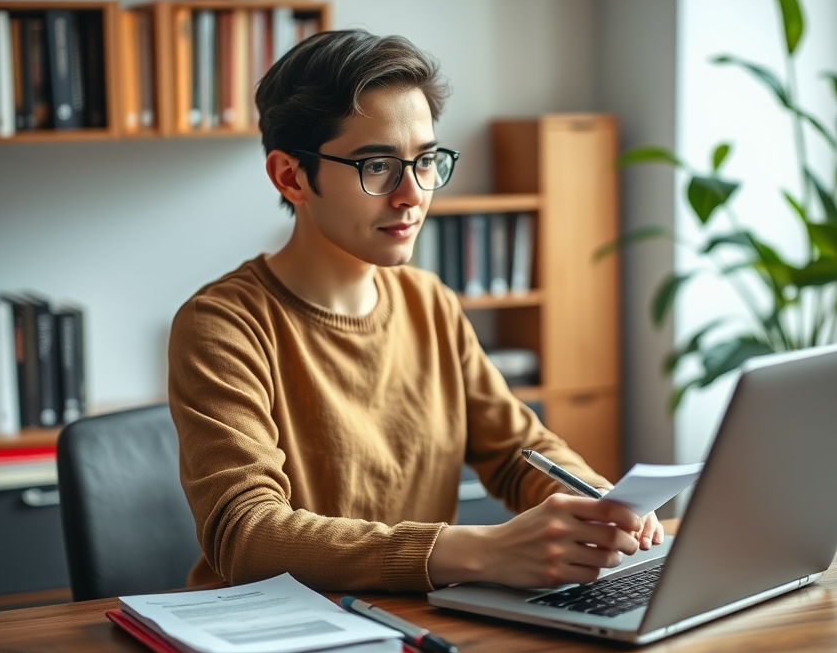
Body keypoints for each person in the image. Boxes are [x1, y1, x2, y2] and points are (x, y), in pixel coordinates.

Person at [168, 29, 663, 594]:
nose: (412, 194)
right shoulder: (223, 324)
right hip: (272, 643)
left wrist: (596, 500)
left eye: (425, 160)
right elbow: (248, 534)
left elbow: (518, 450)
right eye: (377, 166)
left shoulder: (429, 302)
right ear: (291, 176)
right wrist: (477, 551)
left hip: (415, 625)